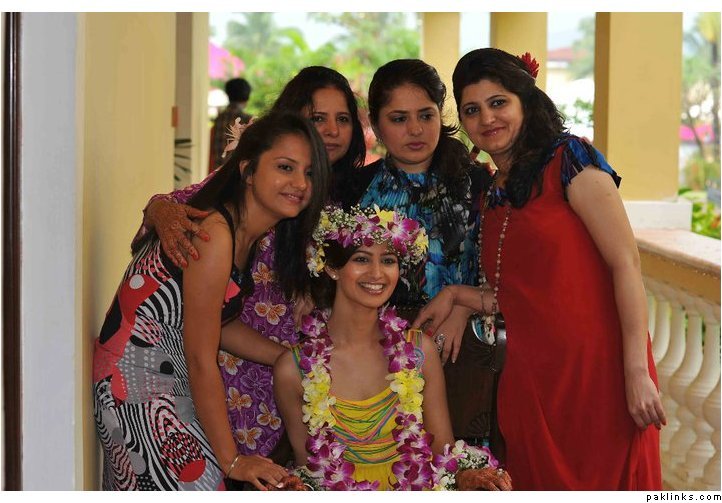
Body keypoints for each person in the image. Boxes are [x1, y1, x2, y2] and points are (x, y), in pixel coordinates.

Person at [414, 47, 665, 490]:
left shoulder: (570, 160)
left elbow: (626, 262)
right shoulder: (493, 191)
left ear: (526, 101)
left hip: (598, 373)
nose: (487, 118)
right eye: (472, 110)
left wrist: (635, 371)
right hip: (531, 379)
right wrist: (456, 296)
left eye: (498, 102)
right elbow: (520, 294)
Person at [135, 66, 366, 464]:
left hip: (287, 369)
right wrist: (158, 210)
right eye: (318, 118)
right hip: (224, 366)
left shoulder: (341, 199)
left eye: (342, 119)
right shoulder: (259, 185)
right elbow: (179, 205)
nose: (331, 131)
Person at [92, 112, 331, 490]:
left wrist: (290, 358)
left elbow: (218, 322)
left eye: (310, 173)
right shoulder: (217, 233)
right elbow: (201, 356)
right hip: (137, 386)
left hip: (164, 378)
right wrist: (233, 461)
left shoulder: (242, 233)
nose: (301, 183)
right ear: (248, 170)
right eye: (285, 167)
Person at [273, 205, 512, 491]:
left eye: (388, 260)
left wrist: (466, 475)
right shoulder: (293, 369)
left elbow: (444, 453)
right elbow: (310, 475)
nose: (377, 273)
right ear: (332, 268)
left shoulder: (418, 351)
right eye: (361, 259)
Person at [209, 78, 253, 170]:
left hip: (218, 173)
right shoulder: (248, 121)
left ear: (228, 95)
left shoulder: (219, 119)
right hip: (237, 175)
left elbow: (212, 154)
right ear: (247, 97)